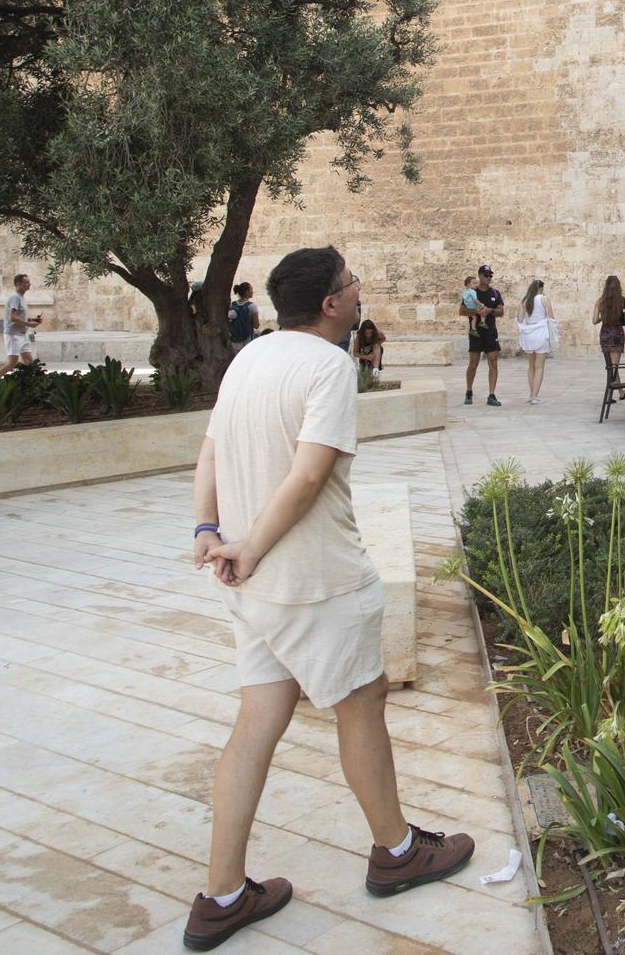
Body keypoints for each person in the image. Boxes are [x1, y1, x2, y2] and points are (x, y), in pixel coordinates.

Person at [186, 247, 473, 948]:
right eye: (352, 283)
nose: (360, 290)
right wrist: (248, 542)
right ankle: (397, 853)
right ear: (330, 305)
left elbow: (211, 452)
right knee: (361, 704)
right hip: (317, 580)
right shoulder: (328, 366)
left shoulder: (248, 358)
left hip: (254, 590)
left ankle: (221, 895)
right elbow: (310, 476)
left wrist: (208, 529)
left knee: (256, 721)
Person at [460, 264, 504, 406]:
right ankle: (469, 390)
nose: (488, 278)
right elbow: (461, 310)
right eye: (486, 275)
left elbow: (501, 311)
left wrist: (489, 311)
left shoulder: (495, 293)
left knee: (493, 361)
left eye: (490, 275)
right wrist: (476, 312)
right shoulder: (471, 292)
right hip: (476, 332)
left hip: (490, 331)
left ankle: (491, 395)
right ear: (479, 275)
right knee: (473, 363)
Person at [593, 275, 625, 399]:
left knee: (611, 367)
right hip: (617, 334)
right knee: (614, 367)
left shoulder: (600, 301)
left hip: (605, 334)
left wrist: (603, 317)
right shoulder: (623, 301)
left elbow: (594, 320)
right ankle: (609, 396)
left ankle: (621, 393)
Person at [0, 273, 42, 377]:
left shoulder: (21, 297)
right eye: (26, 282)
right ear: (18, 284)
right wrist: (29, 324)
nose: (29, 284)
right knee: (12, 363)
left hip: (22, 334)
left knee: (29, 361)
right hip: (13, 335)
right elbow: (13, 317)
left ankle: (36, 383)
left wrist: (34, 320)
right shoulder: (15, 297)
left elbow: (21, 316)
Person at [515, 280, 553, 404]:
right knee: (539, 367)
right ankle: (535, 396)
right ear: (540, 288)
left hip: (528, 335)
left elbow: (520, 319)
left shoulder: (524, 301)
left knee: (531, 366)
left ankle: (531, 394)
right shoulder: (544, 299)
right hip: (541, 333)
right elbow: (551, 318)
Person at [228, 283, 263, 348]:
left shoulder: (232, 305)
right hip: (247, 341)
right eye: (251, 289)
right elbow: (256, 325)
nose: (253, 291)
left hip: (233, 341)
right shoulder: (252, 306)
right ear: (246, 292)